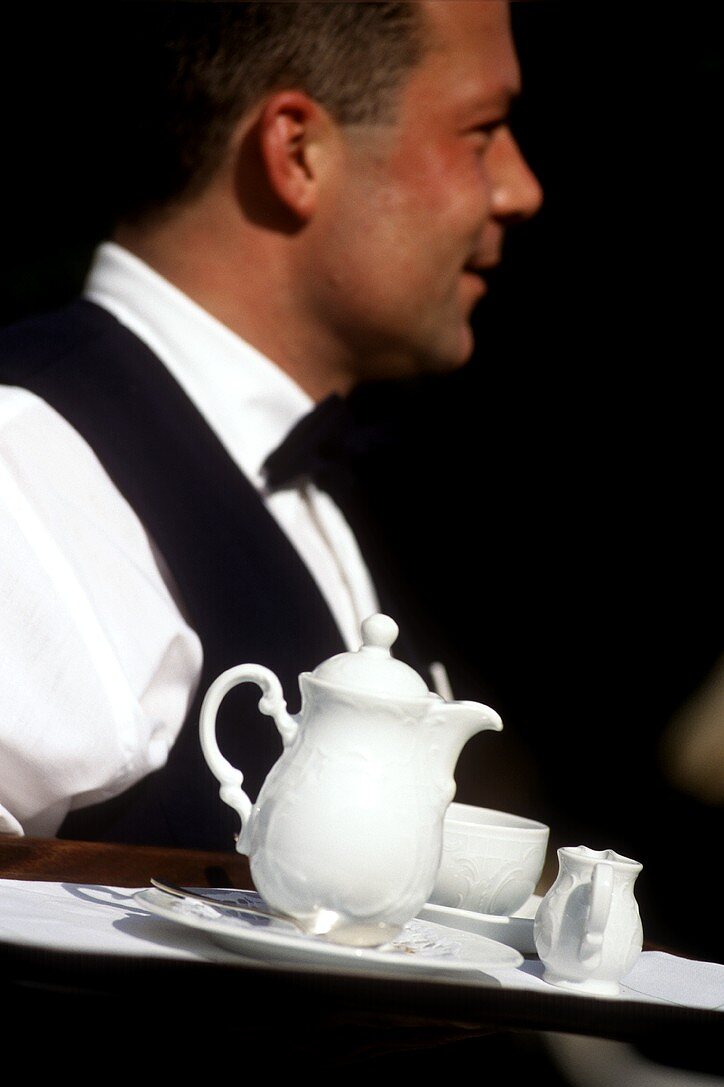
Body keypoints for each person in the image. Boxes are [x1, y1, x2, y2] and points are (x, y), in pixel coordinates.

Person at [0, 1, 541, 850]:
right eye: (481, 131)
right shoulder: (24, 464)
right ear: (297, 153)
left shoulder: (315, 489)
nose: (519, 188)